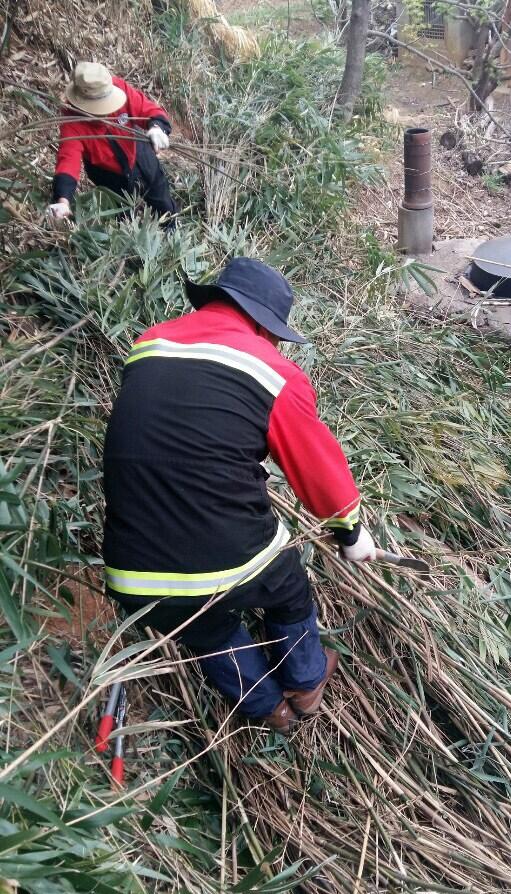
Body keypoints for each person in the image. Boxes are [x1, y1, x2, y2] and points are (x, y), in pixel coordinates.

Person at [102, 258, 377, 733]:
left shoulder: (146, 345)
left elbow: (174, 434)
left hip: (131, 572)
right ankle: (306, 685)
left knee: (205, 628)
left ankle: (266, 708)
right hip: (224, 558)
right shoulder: (272, 371)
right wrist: (351, 530)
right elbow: (315, 466)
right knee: (287, 589)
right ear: (259, 322)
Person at [47, 62, 176, 224]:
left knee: (160, 196)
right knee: (121, 214)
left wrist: (158, 128)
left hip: (139, 155)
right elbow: (68, 162)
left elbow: (148, 109)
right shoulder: (73, 123)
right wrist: (63, 201)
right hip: (109, 175)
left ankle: (170, 225)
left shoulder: (118, 87)